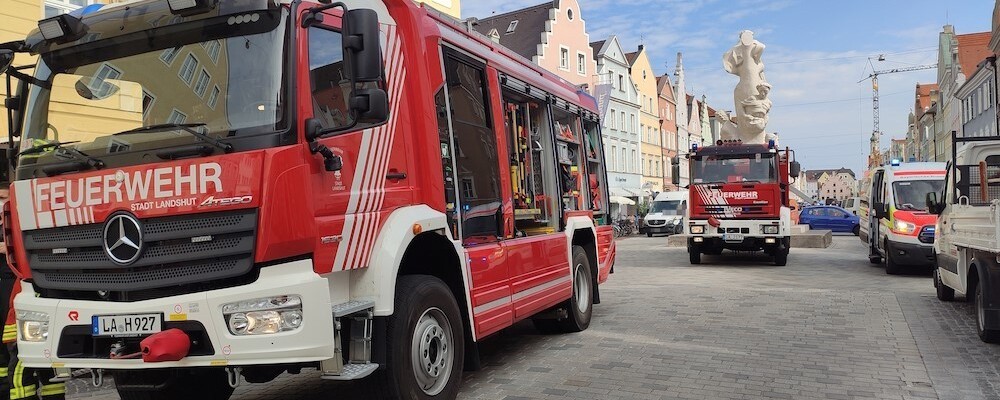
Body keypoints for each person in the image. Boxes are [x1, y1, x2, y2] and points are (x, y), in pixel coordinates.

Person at [0, 184, 64, 400]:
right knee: (48, 373)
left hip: (24, 320)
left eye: (2, 197)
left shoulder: (24, 236)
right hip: (32, 316)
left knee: (19, 374)